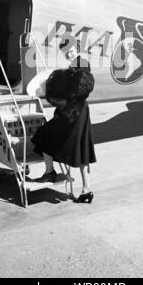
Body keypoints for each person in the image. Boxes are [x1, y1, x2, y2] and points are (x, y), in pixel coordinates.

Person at [31, 35, 96, 204]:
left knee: (44, 135)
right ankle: (86, 190)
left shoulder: (81, 64)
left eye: (70, 50)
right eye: (65, 51)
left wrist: (58, 92)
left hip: (74, 114)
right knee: (81, 151)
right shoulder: (74, 65)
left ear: (77, 48)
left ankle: (50, 172)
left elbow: (82, 88)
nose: (68, 54)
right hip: (75, 113)